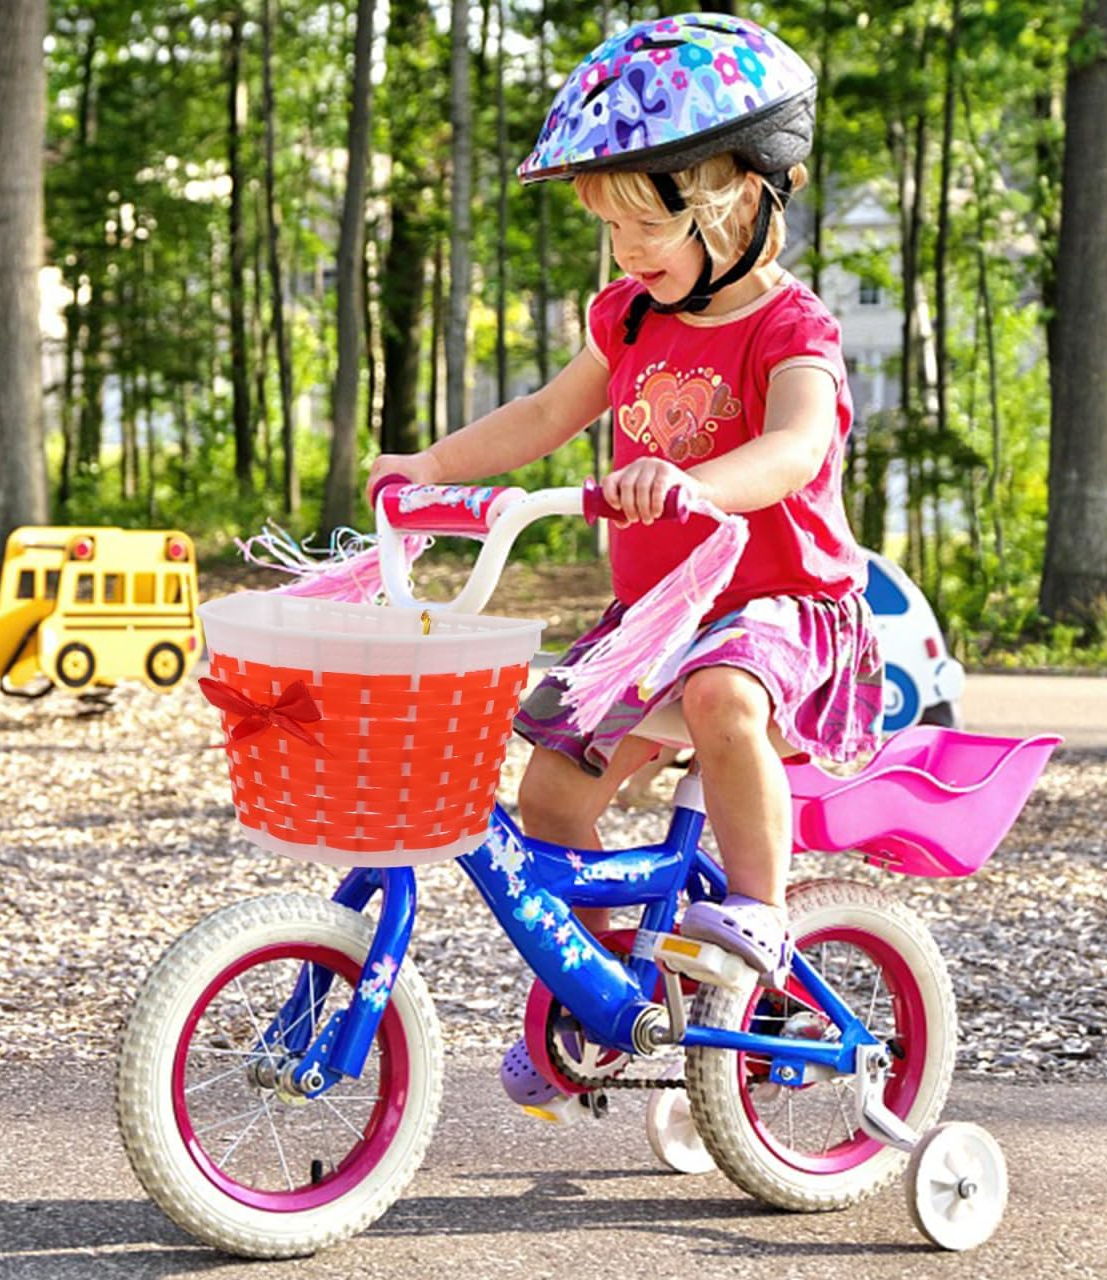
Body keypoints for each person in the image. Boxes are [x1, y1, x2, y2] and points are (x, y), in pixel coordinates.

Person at [368, 12, 883, 1103]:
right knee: (549, 793)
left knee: (721, 695)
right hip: (653, 618)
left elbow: (796, 445)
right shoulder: (629, 321)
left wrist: (699, 482)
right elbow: (545, 413)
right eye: (611, 230)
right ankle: (612, 989)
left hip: (776, 605)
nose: (627, 253)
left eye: (646, 226)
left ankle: (755, 913)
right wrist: (426, 470)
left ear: (740, 196)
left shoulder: (790, 330)